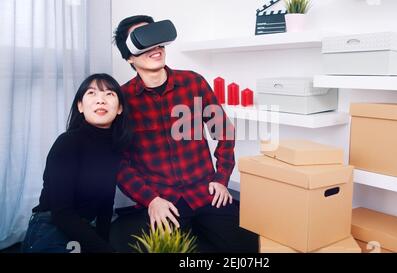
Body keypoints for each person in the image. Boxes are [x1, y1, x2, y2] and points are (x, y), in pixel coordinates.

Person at [113, 15, 258, 252]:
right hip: (162, 201)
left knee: (250, 246)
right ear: (129, 56)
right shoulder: (122, 100)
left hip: (206, 193)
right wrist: (151, 200)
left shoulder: (193, 82)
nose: (155, 47)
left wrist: (221, 179)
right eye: (143, 41)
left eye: (156, 37)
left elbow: (224, 131)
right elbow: (119, 163)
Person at [22, 74, 131, 253]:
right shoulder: (67, 143)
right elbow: (62, 213)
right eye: (92, 93)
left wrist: (104, 244)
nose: (100, 100)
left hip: (85, 227)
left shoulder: (116, 147)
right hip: (51, 225)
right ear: (80, 106)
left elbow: (106, 202)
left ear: (119, 108)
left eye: (109, 94)